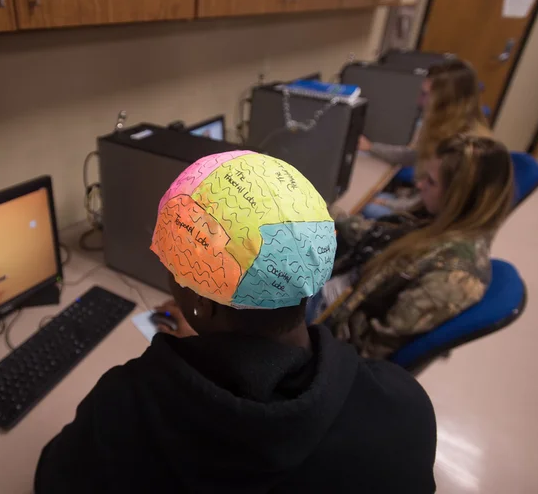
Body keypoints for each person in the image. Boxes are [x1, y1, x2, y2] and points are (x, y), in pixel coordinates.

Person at [35, 151, 436, 493]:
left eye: (173, 270)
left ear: (201, 303)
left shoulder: (124, 409)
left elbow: (52, 480)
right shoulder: (404, 406)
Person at [309, 135, 514, 359]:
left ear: (459, 198)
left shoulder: (450, 278)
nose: (419, 184)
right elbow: (378, 234)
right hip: (339, 289)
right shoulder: (442, 221)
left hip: (327, 329)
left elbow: (367, 352)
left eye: (431, 182)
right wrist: (317, 206)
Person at [359, 58, 491, 218]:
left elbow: (430, 203)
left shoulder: (462, 147)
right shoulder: (445, 127)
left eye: (425, 95)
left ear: (447, 102)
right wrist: (371, 148)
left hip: (431, 217)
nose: (419, 101)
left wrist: (388, 204)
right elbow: (415, 155)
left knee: (364, 208)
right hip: (418, 200)